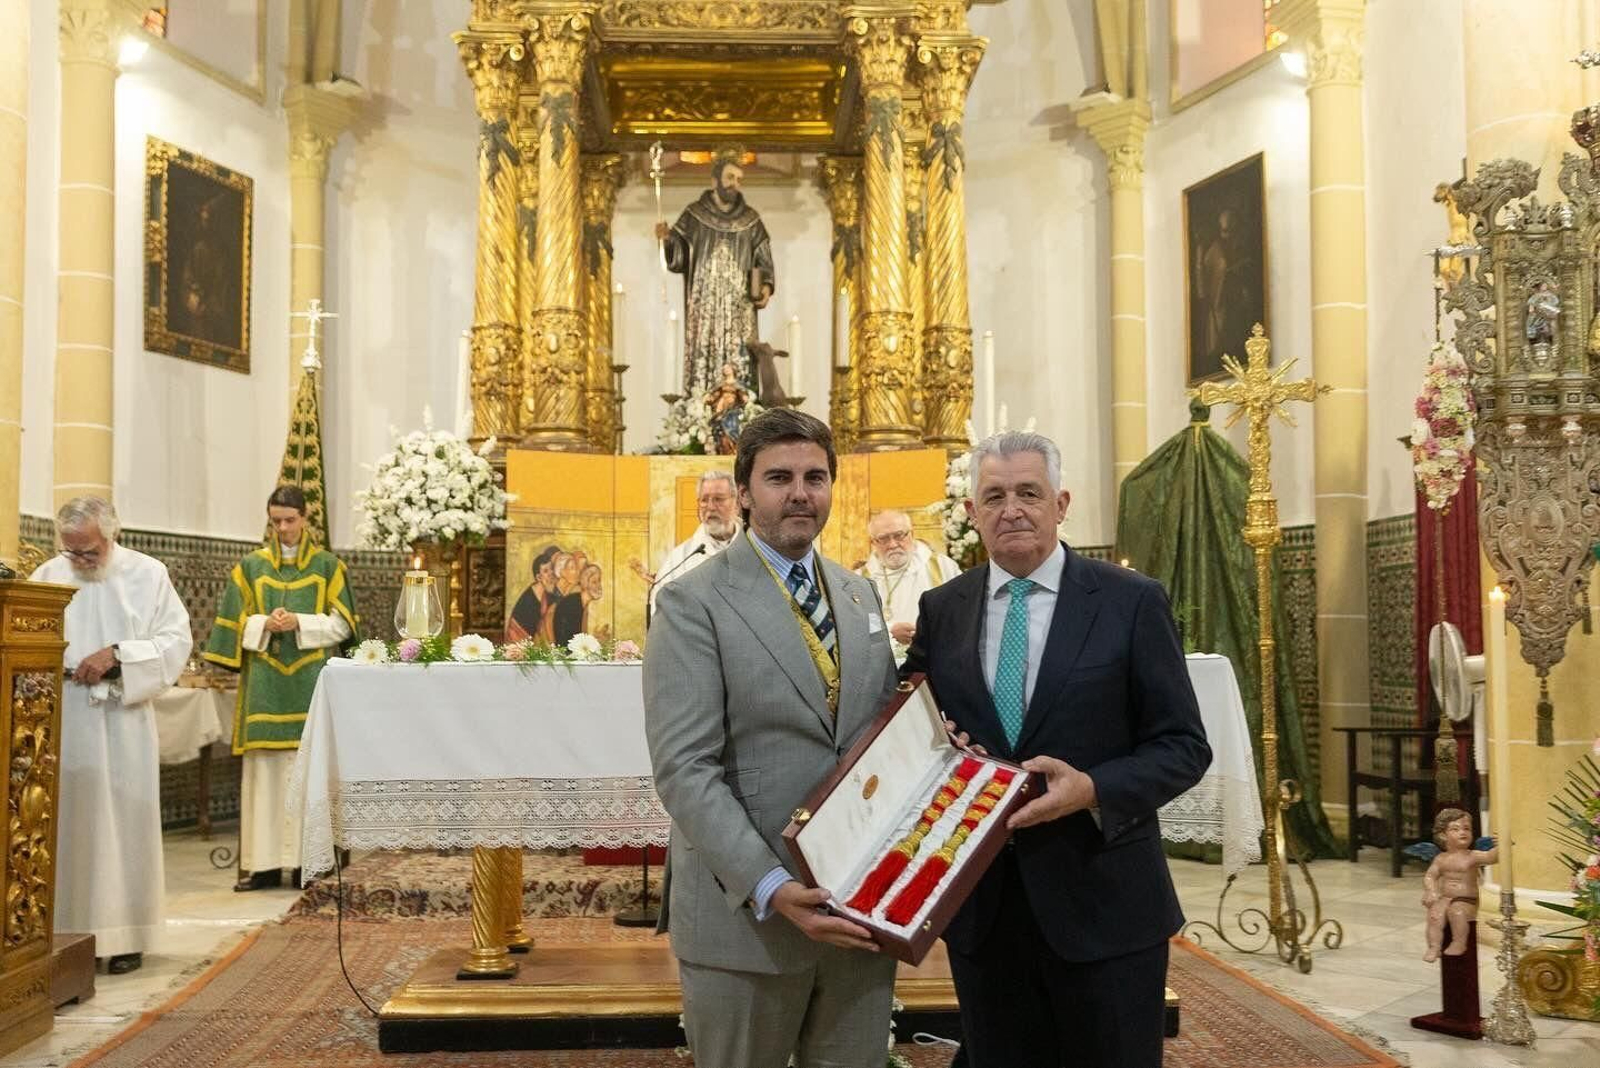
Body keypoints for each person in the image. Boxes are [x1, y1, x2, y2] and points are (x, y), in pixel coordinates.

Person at [901, 431, 1211, 1068]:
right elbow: (915, 719)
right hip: (985, 910)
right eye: (994, 495)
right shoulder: (943, 609)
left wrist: (1093, 789)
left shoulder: (1131, 601)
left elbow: (1183, 745)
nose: (1011, 508)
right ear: (972, 513)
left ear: (1061, 503)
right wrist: (930, 740)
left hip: (1105, 901)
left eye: (1028, 493)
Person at [644, 408, 900, 1068]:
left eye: (815, 477)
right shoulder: (691, 601)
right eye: (779, 477)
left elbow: (880, 734)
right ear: (747, 489)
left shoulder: (859, 594)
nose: (800, 493)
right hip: (747, 921)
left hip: (856, 913)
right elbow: (685, 770)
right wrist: (771, 887)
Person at [34, 497, 192, 974]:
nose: (80, 562)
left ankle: (124, 936)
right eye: (72, 552)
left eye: (89, 551)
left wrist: (119, 653)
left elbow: (175, 641)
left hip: (121, 718)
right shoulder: (47, 577)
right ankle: (60, 932)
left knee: (120, 826)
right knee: (66, 828)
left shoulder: (148, 574)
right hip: (63, 720)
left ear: (112, 535)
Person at [203, 485, 358, 891]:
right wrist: (263, 623)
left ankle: (313, 861)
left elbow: (343, 625)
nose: (284, 528)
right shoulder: (250, 568)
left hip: (311, 684)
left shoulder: (328, 567)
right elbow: (234, 624)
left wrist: (301, 623)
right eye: (276, 522)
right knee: (265, 775)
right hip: (265, 688)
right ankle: (264, 865)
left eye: (290, 520)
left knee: (310, 772)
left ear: (306, 518)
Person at [655, 148, 775, 398]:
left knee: (741, 357)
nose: (735, 185)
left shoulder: (751, 221)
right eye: (730, 178)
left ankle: (744, 413)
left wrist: (765, 287)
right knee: (705, 356)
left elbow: (764, 259)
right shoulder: (694, 215)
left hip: (739, 309)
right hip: (704, 307)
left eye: (739, 180)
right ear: (715, 180)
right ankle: (698, 409)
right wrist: (667, 240)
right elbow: (677, 259)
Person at [858, 508, 960, 647]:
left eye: (899, 535)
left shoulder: (942, 566)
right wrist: (888, 632)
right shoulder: (859, 580)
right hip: (885, 662)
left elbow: (963, 612)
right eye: (883, 538)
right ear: (873, 543)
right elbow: (855, 626)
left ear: (911, 534)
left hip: (935, 657)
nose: (893, 544)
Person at [646, 470, 740, 615]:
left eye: (718, 499)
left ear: (737, 503)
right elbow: (661, 609)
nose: (710, 507)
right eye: (704, 500)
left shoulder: (756, 550)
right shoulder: (680, 558)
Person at [1422, 808, 1496, 962]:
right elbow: (1430, 875)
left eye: (1467, 828)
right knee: (1435, 915)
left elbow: (1491, 857)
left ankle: (1459, 943)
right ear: (1443, 835)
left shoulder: (1473, 856)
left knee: (1457, 913)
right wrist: (1431, 891)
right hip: (1446, 897)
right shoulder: (1441, 858)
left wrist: (1502, 847)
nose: (1463, 832)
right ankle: (1434, 946)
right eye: (1455, 829)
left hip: (1466, 899)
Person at [506, 545, 560, 643]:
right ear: (538, 577)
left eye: (551, 568)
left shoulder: (548, 595)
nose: (551, 573)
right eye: (546, 571)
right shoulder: (529, 599)